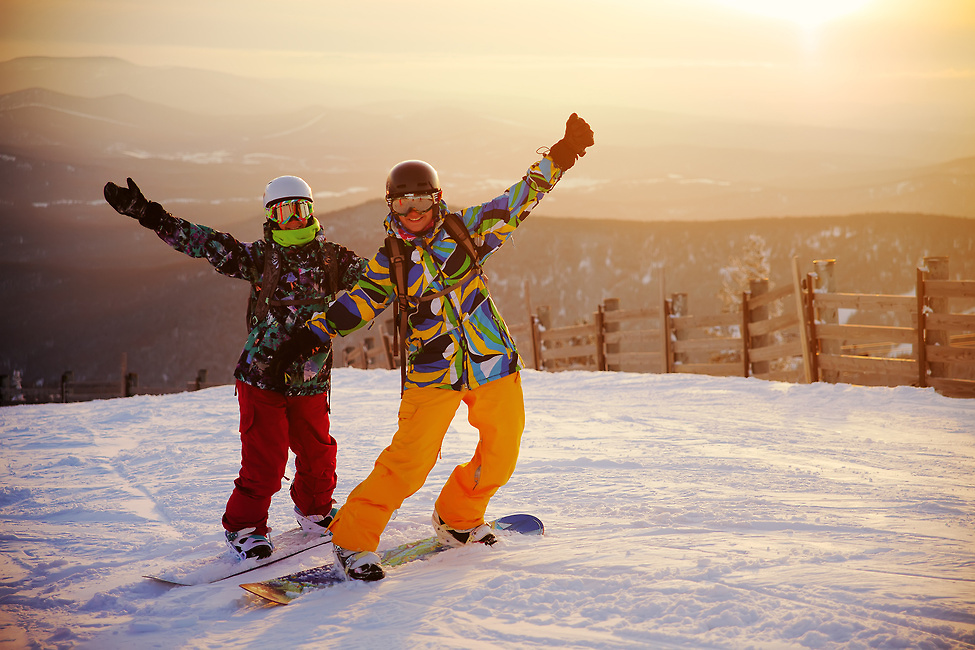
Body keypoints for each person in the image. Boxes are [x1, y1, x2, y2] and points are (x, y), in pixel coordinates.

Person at [270, 113, 594, 581]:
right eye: (402, 202)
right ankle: (353, 539)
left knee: (502, 453)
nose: (413, 210)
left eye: (421, 199)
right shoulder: (391, 260)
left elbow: (519, 199)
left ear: (437, 199)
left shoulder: (468, 229)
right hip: (432, 371)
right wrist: (310, 335)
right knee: (408, 462)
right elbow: (358, 303)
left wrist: (561, 156)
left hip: (493, 361)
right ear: (391, 206)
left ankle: (459, 517)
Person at [103, 175, 365, 560]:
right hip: (262, 376)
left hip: (311, 378)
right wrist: (153, 216)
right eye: (283, 211)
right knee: (266, 461)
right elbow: (209, 244)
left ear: (312, 211)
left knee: (318, 454)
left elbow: (379, 281)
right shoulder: (261, 257)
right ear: (271, 217)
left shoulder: (333, 259)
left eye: (300, 208)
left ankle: (316, 511)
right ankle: (244, 527)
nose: (293, 218)